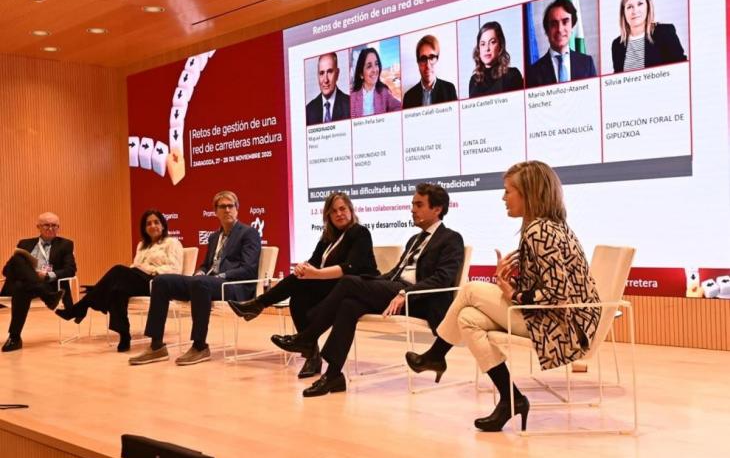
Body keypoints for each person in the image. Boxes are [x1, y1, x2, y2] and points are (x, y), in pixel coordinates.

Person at [406, 161, 600, 432]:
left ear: (529, 193)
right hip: (560, 321)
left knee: (470, 290)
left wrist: (514, 293)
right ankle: (511, 399)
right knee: (468, 317)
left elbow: (558, 294)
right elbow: (550, 285)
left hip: (563, 329)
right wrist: (512, 283)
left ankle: (436, 354)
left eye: (508, 191)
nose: (503, 198)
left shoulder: (539, 230)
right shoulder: (549, 226)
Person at [270, 183, 464, 397]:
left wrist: (404, 293)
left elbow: (443, 278)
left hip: (420, 299)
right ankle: (333, 375)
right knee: (349, 305)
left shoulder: (451, 238)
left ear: (437, 209)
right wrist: (373, 283)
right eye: (412, 204)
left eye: (419, 205)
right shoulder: (414, 240)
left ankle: (308, 337)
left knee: (348, 282)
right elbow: (395, 273)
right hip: (397, 292)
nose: (412, 210)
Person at [228, 192, 378, 378]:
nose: (339, 214)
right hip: (331, 285)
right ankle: (311, 354)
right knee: (298, 299)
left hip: (356, 286)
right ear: (328, 216)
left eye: (342, 209)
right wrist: (303, 267)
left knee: (299, 283)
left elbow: (351, 267)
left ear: (351, 210)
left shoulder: (359, 232)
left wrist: (316, 274)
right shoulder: (328, 237)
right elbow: (314, 261)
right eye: (333, 211)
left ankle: (259, 305)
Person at [128, 191, 261, 366]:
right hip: (207, 283)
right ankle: (156, 345)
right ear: (216, 211)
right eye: (222, 207)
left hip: (235, 285)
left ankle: (200, 346)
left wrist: (218, 276)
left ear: (237, 209)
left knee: (200, 282)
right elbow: (206, 265)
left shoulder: (249, 233)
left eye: (231, 206)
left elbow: (248, 268)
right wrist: (200, 271)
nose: (227, 210)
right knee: (161, 281)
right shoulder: (214, 237)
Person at [56, 210, 183, 352]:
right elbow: (135, 266)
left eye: (156, 222)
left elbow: (175, 269)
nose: (153, 226)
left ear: (163, 225)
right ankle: (124, 335)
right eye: (148, 224)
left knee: (118, 270)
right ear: (144, 228)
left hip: (157, 283)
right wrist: (139, 270)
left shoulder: (172, 243)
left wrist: (149, 269)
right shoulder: (142, 245)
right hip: (140, 279)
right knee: (117, 290)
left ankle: (83, 305)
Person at [1, 212, 76, 352]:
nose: (50, 228)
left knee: (21, 287)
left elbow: (70, 270)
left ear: (58, 227)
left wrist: (48, 275)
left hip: (48, 283)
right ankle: (48, 297)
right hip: (33, 286)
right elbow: (6, 270)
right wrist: (30, 274)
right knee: (18, 263)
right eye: (46, 225)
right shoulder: (24, 244)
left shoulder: (65, 244)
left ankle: (14, 338)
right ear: (38, 227)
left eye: (54, 225)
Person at [611, 0, 686, 73]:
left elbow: (682, 70)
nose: (635, 11)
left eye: (640, 4)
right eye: (629, 7)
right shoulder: (617, 45)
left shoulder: (665, 33)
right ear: (623, 12)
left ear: (648, 6)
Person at [526, 0, 597, 87]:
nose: (560, 29)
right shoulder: (533, 72)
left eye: (565, 22)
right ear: (547, 31)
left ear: (572, 27)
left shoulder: (587, 63)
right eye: (554, 24)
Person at [469, 21, 524, 98]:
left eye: (492, 42)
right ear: (479, 49)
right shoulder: (474, 80)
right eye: (483, 44)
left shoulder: (512, 75)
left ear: (500, 46)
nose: (487, 48)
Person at [403, 35, 457, 108]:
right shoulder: (408, 97)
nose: (428, 66)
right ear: (418, 63)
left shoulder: (449, 90)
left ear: (437, 59)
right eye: (423, 59)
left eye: (432, 57)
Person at [350, 47, 401, 117]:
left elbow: (399, 106)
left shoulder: (384, 92)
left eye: (376, 64)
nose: (374, 70)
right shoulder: (352, 96)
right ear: (361, 74)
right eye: (369, 66)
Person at [305, 53, 351, 125]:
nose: (325, 80)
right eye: (321, 73)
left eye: (330, 72)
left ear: (337, 74)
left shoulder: (349, 105)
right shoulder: (309, 110)